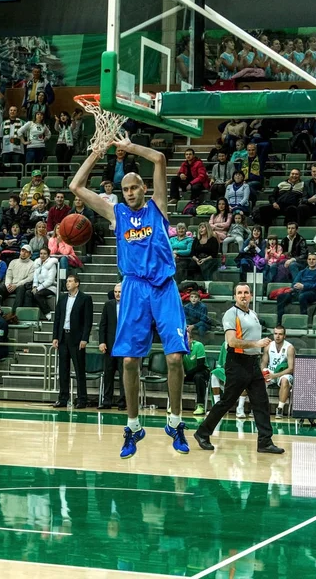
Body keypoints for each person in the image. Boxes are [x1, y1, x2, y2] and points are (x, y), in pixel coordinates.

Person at [69, 136, 190, 458]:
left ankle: (175, 422)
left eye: (135, 186)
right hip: (134, 288)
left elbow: (160, 159)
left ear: (144, 189)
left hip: (164, 286)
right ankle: (133, 426)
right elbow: (76, 187)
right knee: (129, 361)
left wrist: (127, 146)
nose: (131, 192)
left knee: (175, 357)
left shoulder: (157, 208)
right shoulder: (116, 214)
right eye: (125, 189)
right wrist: (96, 152)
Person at [194, 284, 285, 455]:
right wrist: (256, 344)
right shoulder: (231, 314)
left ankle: (265, 442)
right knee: (227, 401)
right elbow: (232, 342)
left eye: (246, 293)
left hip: (253, 363)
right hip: (237, 363)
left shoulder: (253, 314)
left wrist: (259, 351)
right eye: (240, 293)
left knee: (261, 402)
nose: (243, 296)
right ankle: (202, 433)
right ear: (235, 296)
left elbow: (254, 342)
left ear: (251, 295)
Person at [52, 274, 93, 409]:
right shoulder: (62, 298)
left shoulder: (85, 299)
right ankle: (63, 398)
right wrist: (55, 337)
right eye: (67, 281)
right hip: (63, 336)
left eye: (70, 281)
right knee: (63, 370)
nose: (67, 283)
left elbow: (88, 321)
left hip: (77, 339)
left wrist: (85, 338)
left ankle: (82, 399)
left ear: (77, 283)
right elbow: (57, 319)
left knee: (79, 370)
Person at [98, 283, 126, 411]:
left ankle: (122, 402)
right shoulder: (108, 305)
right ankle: (107, 401)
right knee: (108, 374)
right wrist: (102, 342)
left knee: (123, 376)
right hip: (109, 346)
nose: (117, 294)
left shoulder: (129, 305)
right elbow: (103, 325)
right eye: (115, 292)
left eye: (119, 292)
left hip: (124, 346)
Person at [261, 326, 295, 419]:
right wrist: (264, 375)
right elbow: (263, 363)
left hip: (283, 373)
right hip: (271, 372)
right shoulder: (268, 346)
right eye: (275, 334)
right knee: (260, 379)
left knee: (285, 380)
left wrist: (274, 375)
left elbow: (291, 368)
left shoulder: (289, 347)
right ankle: (259, 407)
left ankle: (280, 408)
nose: (277, 336)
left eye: (280, 334)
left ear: (284, 336)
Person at [276, 253, 316, 324]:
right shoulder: (302, 272)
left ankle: (304, 321)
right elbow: (294, 283)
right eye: (309, 259)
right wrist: (296, 286)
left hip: (313, 293)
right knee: (281, 296)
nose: (311, 261)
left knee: (302, 296)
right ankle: (279, 322)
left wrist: (304, 286)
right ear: (307, 260)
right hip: (299, 292)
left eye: (313, 259)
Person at [0, 244, 34, 311]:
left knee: (21, 288)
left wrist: (16, 285)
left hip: (20, 285)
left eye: (26, 252)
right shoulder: (13, 262)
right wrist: (8, 285)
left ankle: (14, 313)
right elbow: (8, 275)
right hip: (10, 285)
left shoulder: (32, 264)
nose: (23, 253)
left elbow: (30, 278)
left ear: (30, 254)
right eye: (22, 251)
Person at [24, 246, 58, 320]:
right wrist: (35, 286)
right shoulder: (37, 263)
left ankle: (48, 314)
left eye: (45, 254)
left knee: (37, 294)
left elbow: (50, 281)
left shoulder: (51, 264)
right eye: (41, 253)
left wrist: (38, 288)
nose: (42, 255)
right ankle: (29, 315)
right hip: (39, 286)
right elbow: (35, 277)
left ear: (48, 255)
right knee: (28, 293)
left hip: (50, 287)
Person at [182, 333, 210, 416]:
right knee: (173, 377)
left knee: (198, 377)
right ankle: (173, 404)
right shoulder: (179, 347)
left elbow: (200, 365)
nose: (185, 341)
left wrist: (186, 374)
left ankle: (200, 405)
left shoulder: (198, 346)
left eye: (186, 339)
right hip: (187, 373)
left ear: (191, 340)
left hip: (201, 371)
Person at [54, 111, 76, 177]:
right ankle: (60, 177)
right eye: (61, 116)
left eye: (64, 115)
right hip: (59, 145)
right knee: (60, 162)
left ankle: (67, 176)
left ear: (67, 117)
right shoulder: (60, 125)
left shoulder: (70, 125)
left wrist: (72, 118)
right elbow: (56, 128)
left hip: (68, 145)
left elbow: (74, 126)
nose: (62, 117)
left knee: (66, 162)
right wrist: (57, 121)